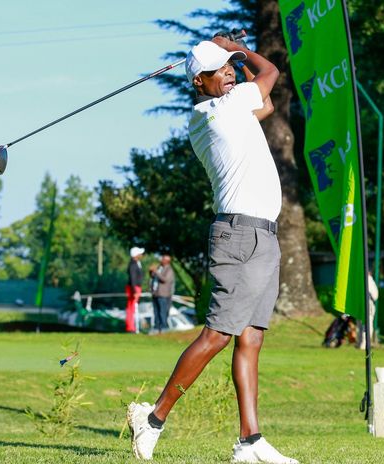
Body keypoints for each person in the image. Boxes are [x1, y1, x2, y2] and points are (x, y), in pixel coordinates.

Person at [126, 36, 297, 464]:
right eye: (219, 68)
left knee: (252, 336)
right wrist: (236, 48)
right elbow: (270, 74)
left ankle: (250, 441)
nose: (229, 71)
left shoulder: (226, 109)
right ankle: (153, 418)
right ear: (198, 81)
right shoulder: (223, 109)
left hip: (262, 234)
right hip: (239, 235)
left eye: (229, 67)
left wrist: (229, 56)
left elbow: (268, 105)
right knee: (219, 334)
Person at [149, 254, 175, 334]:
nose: (161, 260)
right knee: (156, 312)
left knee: (163, 312)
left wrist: (156, 272)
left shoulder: (169, 270)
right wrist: (151, 271)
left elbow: (165, 279)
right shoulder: (160, 268)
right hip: (156, 293)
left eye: (163, 259)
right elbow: (153, 276)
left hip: (164, 294)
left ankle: (164, 328)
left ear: (167, 261)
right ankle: (156, 327)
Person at [357, 272, 379, 350]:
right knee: (366, 326)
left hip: (362, 305)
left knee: (361, 326)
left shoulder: (359, 280)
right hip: (367, 306)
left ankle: (361, 343)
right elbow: (375, 296)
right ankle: (364, 344)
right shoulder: (369, 281)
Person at [126, 247, 145, 333]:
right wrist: (134, 291)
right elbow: (133, 278)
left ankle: (132, 327)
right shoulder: (133, 265)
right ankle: (130, 327)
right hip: (134, 288)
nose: (141, 255)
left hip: (135, 287)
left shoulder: (137, 263)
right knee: (131, 308)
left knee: (133, 307)